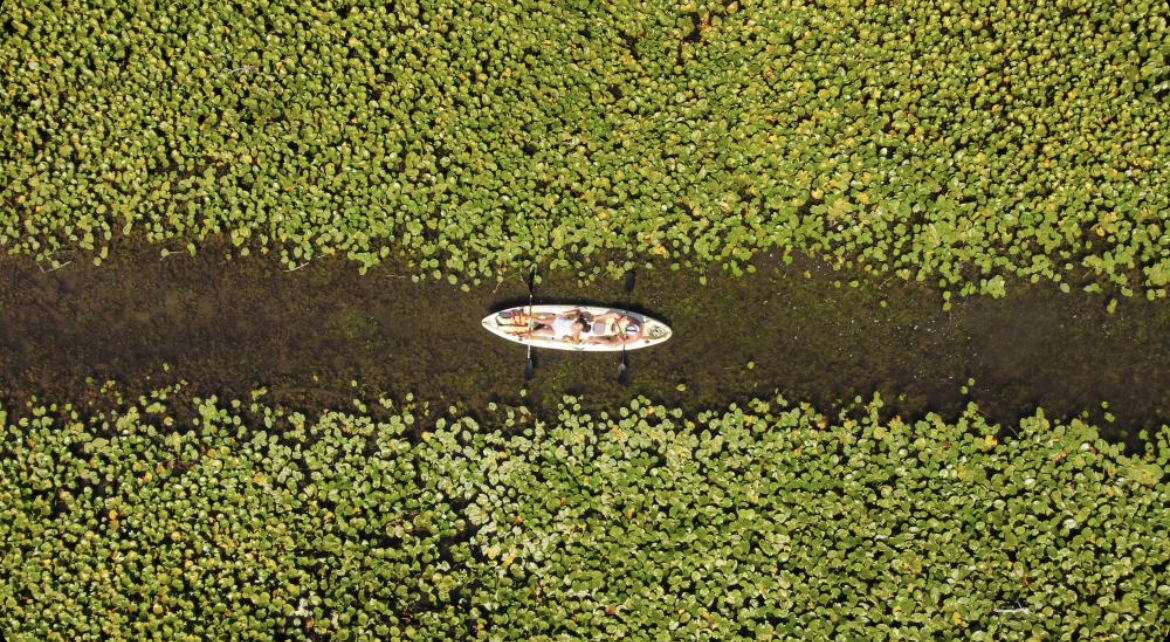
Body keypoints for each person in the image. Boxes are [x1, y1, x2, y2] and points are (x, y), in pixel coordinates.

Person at [500, 308, 593, 344]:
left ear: (580, 330)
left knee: (541, 332)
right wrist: (566, 312)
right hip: (556, 321)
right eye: (578, 324)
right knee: (540, 320)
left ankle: (523, 334)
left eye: (578, 327)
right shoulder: (576, 319)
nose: (576, 325)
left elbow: (576, 343)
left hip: (557, 332)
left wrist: (569, 339)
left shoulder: (576, 333)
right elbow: (578, 312)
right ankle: (523, 316)